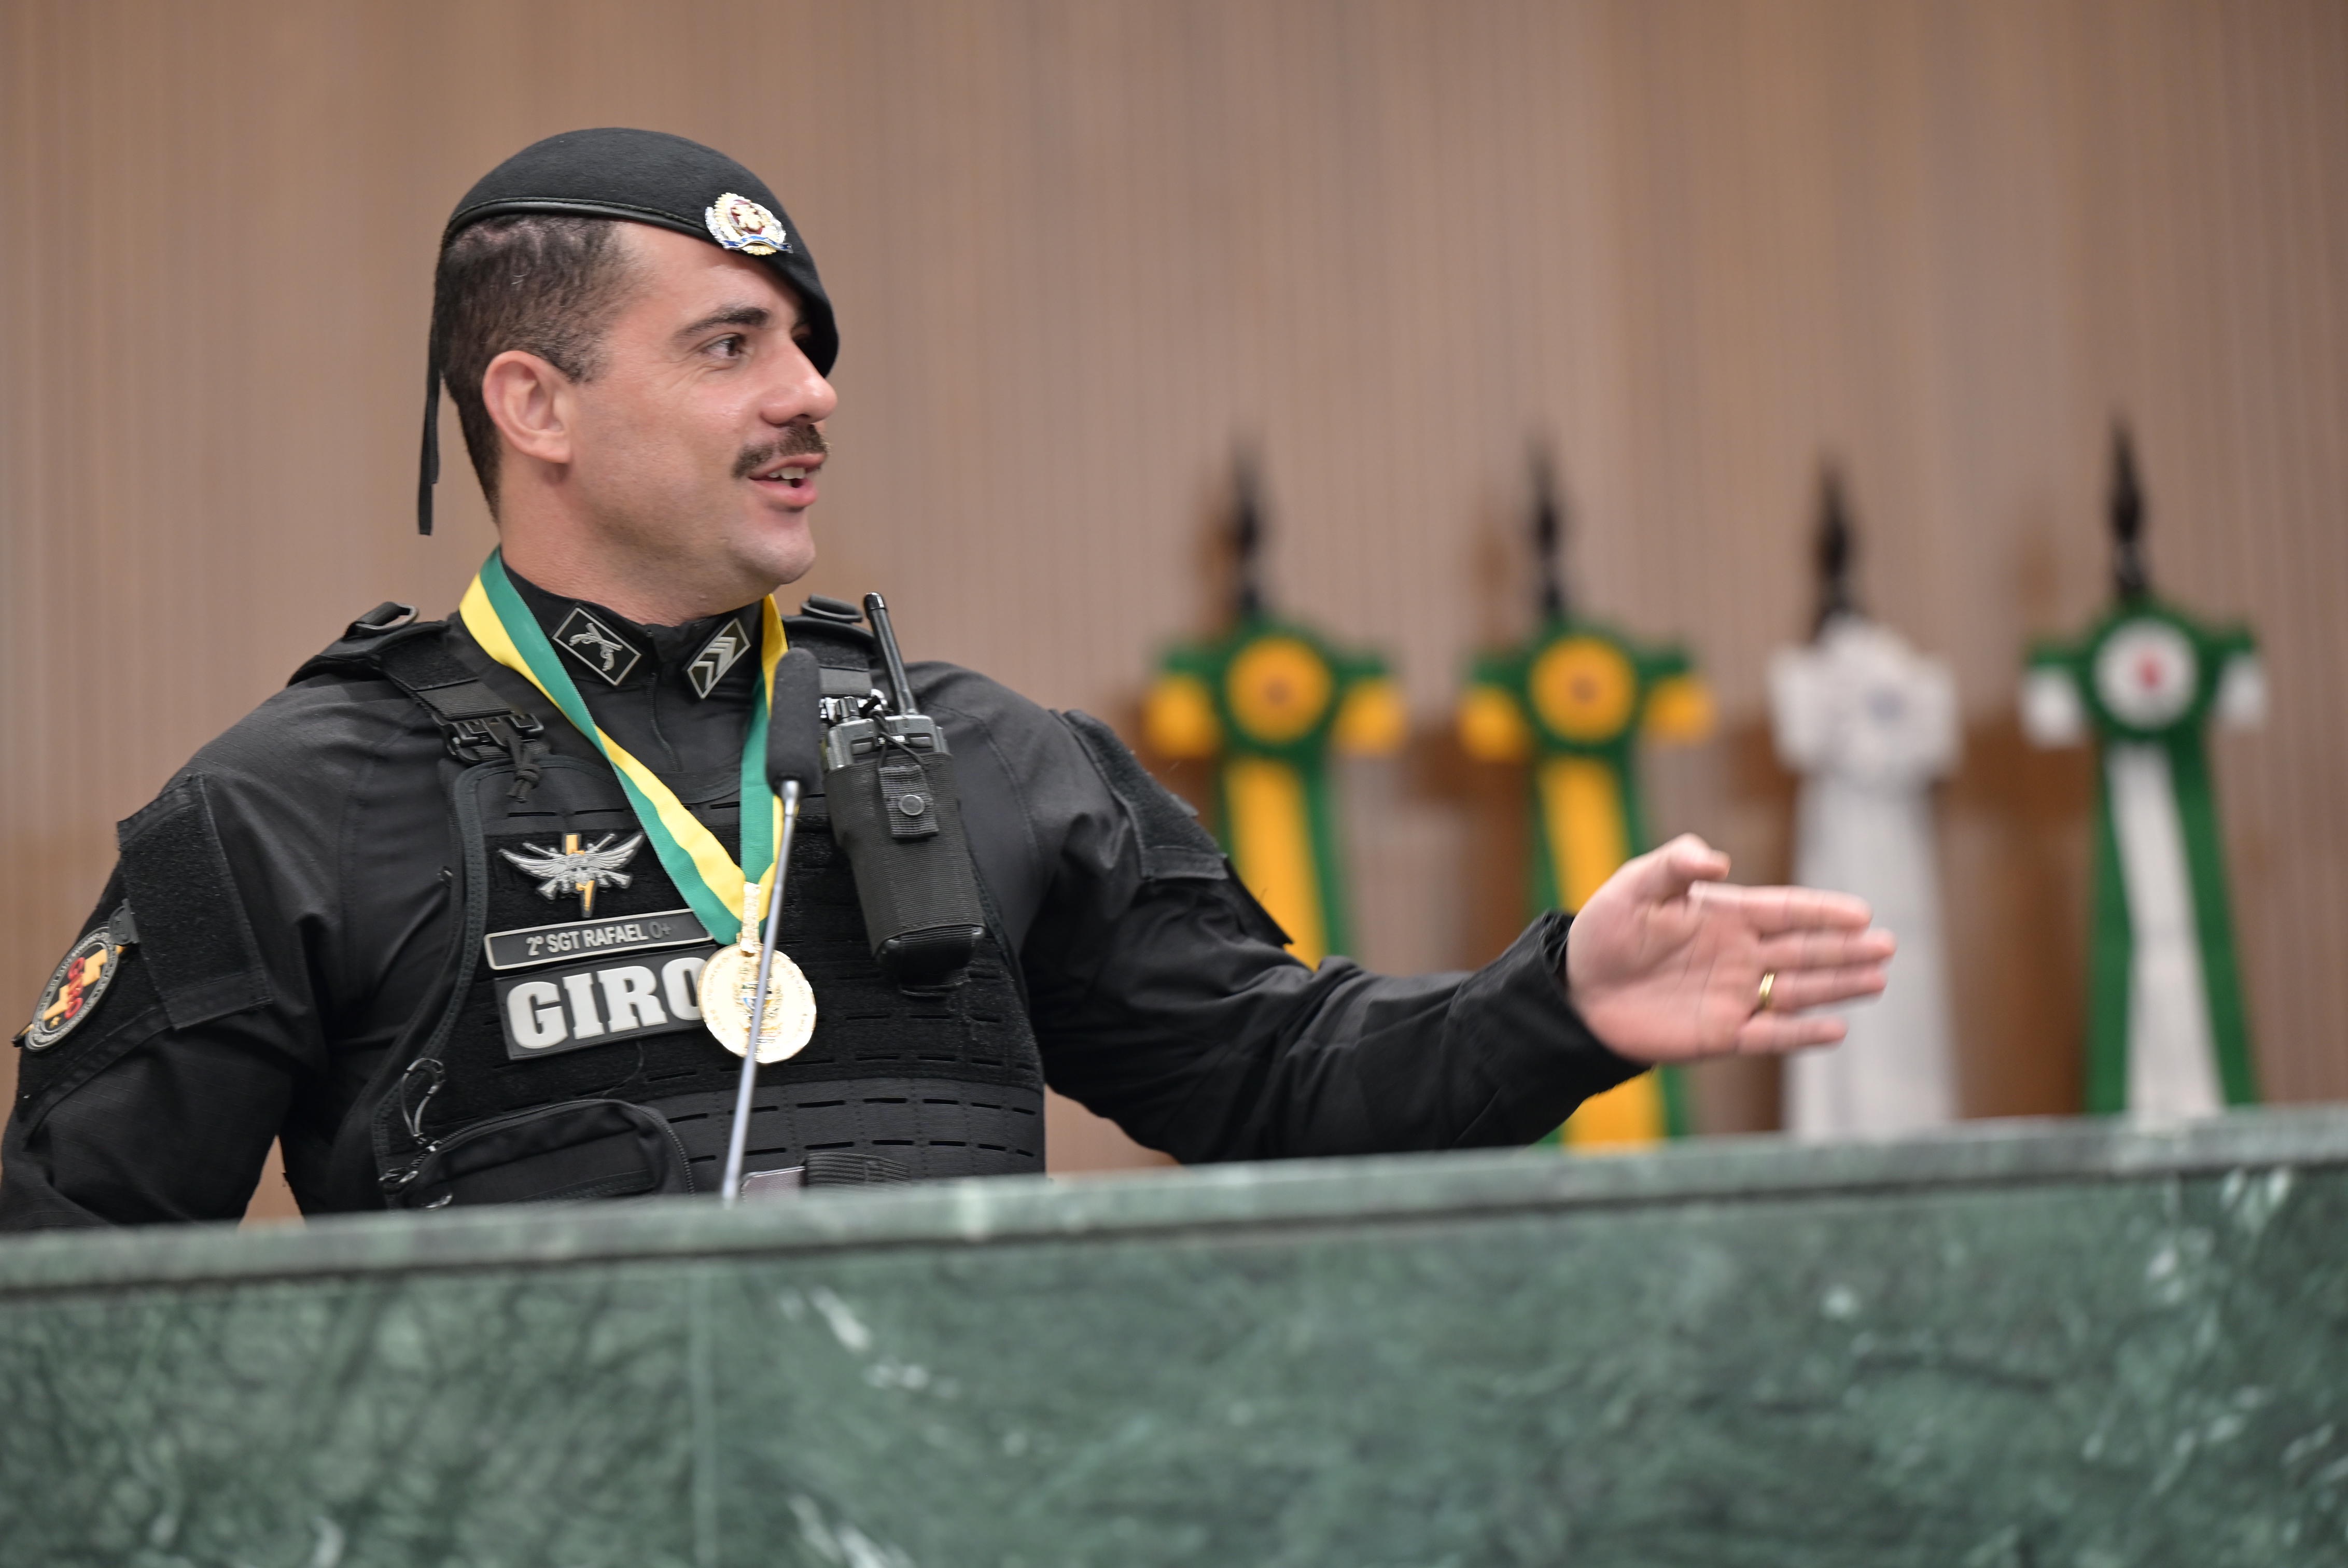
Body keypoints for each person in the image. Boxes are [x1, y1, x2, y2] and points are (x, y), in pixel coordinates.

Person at [0, 129, 1892, 1227]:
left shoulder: (988, 756)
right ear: (535, 404)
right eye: (732, 346)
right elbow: (73, 1292)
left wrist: (1561, 1004)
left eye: (809, 347)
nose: (812, 395)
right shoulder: (281, 807)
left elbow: (1274, 1079)